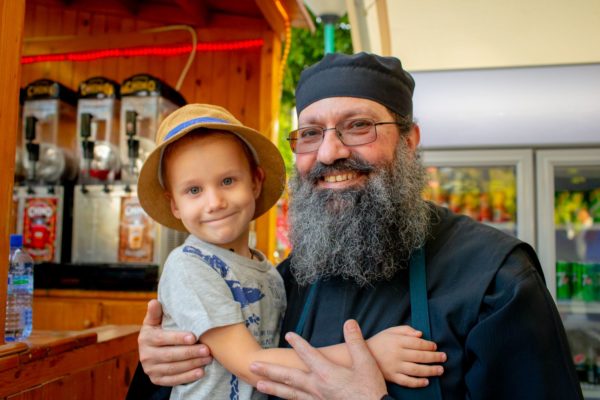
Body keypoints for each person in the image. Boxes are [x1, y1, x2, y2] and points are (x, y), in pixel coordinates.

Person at [130, 53, 583, 400]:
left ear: (409, 141)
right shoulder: (285, 280)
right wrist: (170, 356)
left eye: (358, 125)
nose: (330, 153)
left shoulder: (496, 282)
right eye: (311, 133)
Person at [129, 103, 446, 400]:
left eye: (227, 181)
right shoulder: (190, 267)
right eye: (194, 190)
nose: (214, 202)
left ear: (255, 182)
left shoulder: (270, 273)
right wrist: (370, 355)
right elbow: (252, 363)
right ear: (174, 204)